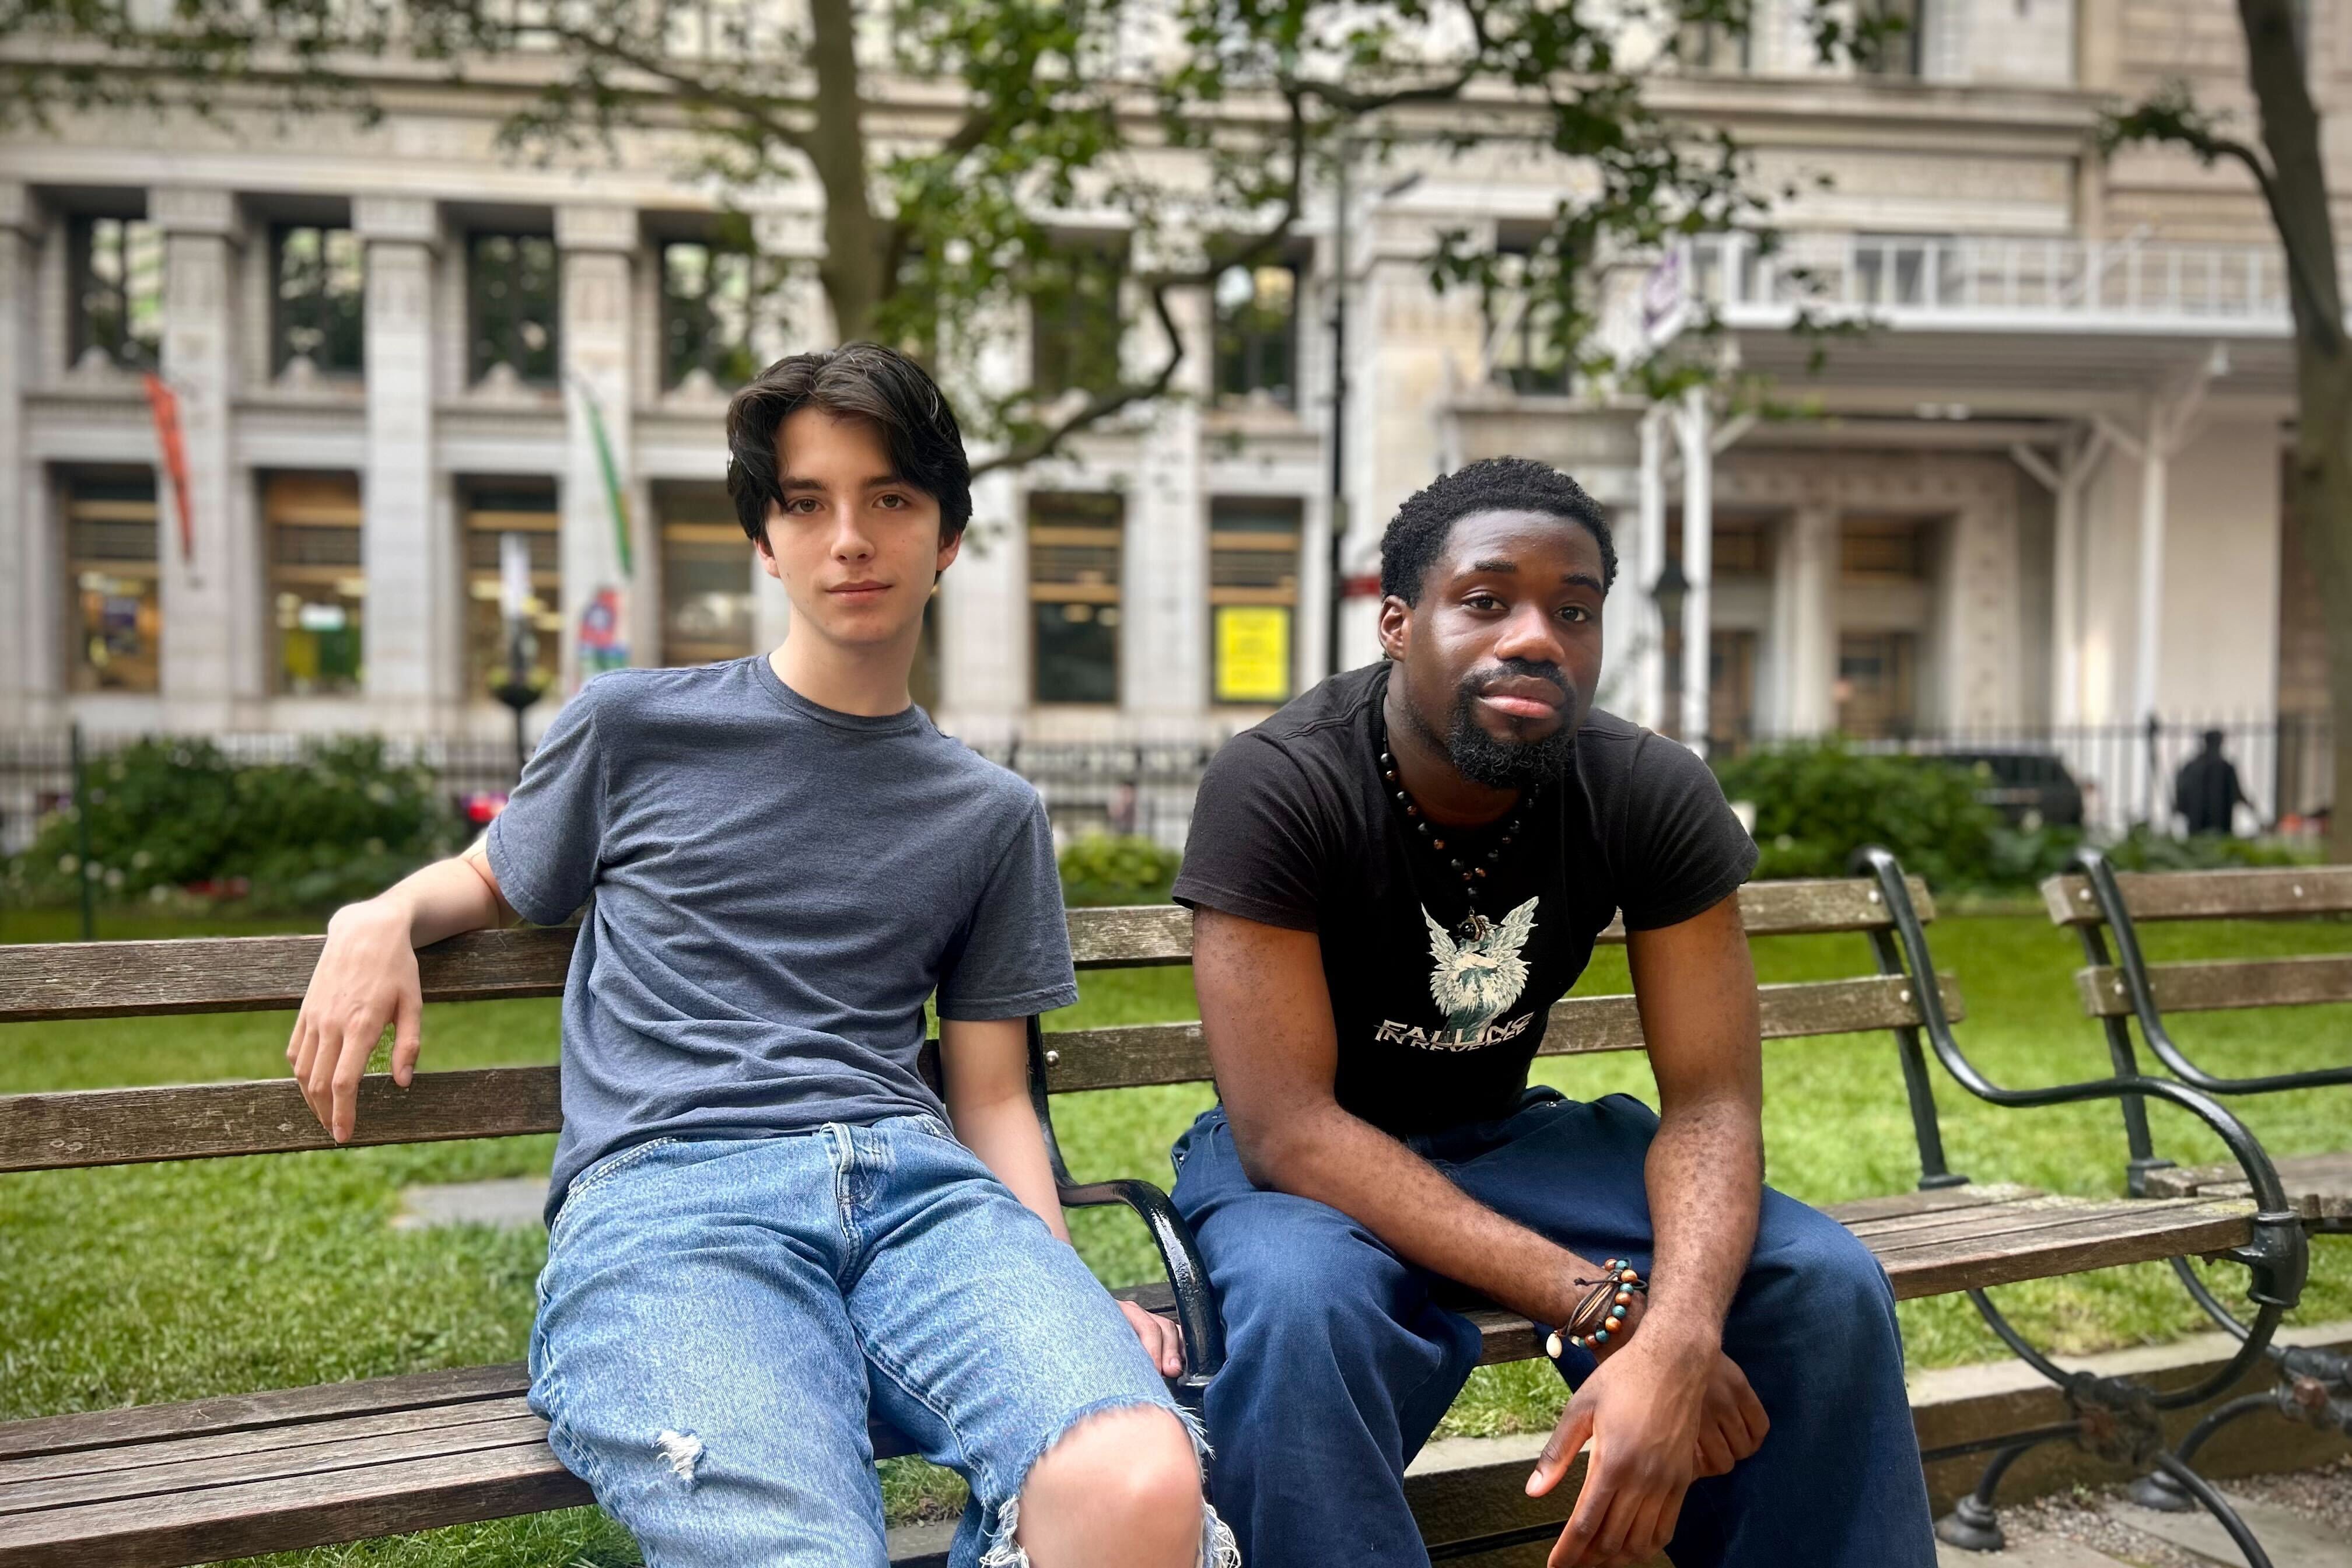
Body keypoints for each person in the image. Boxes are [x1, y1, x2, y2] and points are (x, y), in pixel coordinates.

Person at [286, 344, 1230, 1568]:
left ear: (946, 540)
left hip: (919, 1201)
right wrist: (375, 918)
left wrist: (1058, 1295)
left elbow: (993, 1094)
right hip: (677, 1204)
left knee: (1136, 1482)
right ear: (765, 541)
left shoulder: (989, 812)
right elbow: (489, 880)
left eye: (891, 499)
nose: (851, 538)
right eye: (808, 503)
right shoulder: (633, 728)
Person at [1169, 457, 1934, 1568]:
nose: (1535, 637)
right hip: (1310, 1159)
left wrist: (1675, 1339)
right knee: (1300, 1309)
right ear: (1395, 621)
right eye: (1485, 601)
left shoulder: (1648, 786)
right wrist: (1611, 1309)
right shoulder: (1278, 782)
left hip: (1510, 1136)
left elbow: (1714, 1100)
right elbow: (1288, 1126)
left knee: (1820, 1283)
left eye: (1572, 610)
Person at [2176, 729, 2253, 836]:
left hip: (2202, 820)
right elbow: (2237, 792)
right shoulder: (2225, 767)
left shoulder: (2192, 766)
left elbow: (2181, 791)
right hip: (2215, 820)